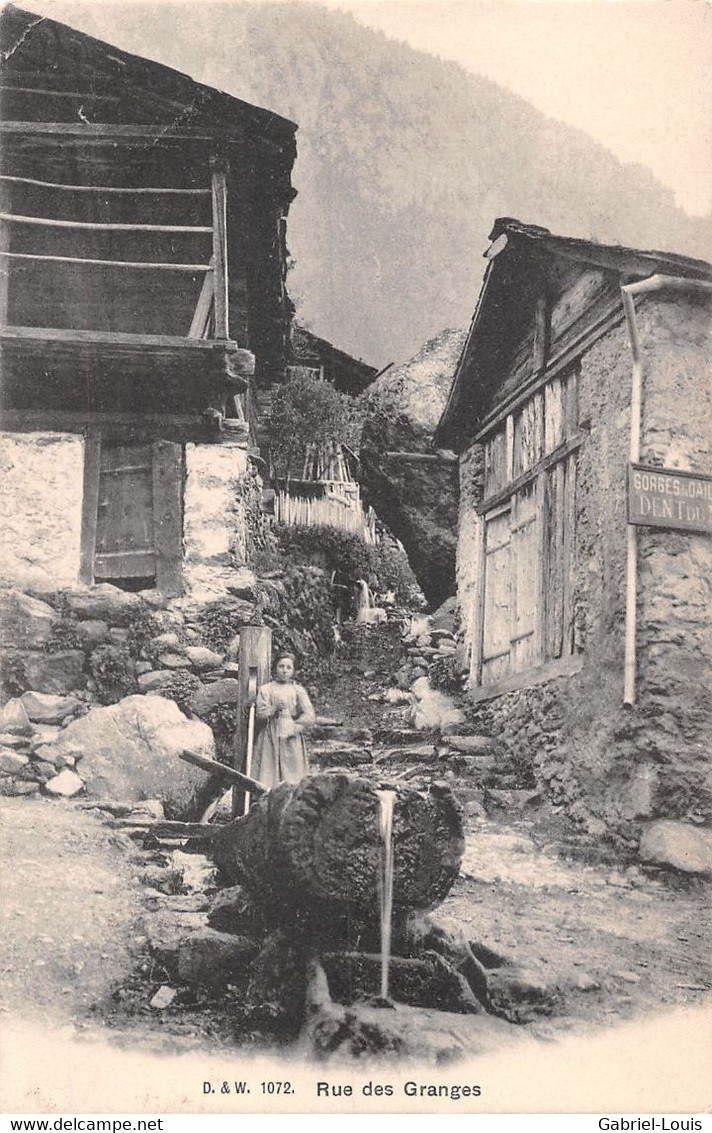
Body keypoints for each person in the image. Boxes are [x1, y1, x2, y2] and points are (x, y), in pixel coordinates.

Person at [251, 651, 316, 789]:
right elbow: (260, 714)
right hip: (270, 734)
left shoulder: (297, 690)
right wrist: (274, 708)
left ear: (293, 671)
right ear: (275, 668)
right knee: (268, 771)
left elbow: (309, 715)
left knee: (292, 774)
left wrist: (297, 726)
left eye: (288, 668)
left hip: (290, 735)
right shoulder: (266, 689)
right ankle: (268, 798)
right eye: (281, 666)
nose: (284, 671)